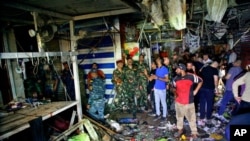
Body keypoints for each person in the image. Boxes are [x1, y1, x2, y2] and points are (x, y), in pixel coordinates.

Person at [172, 63, 203, 138]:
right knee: (179, 117)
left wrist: (196, 90)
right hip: (179, 102)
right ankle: (180, 129)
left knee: (191, 118)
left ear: (181, 69)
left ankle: (194, 133)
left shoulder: (191, 76)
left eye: (177, 69)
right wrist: (174, 93)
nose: (176, 70)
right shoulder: (175, 78)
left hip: (189, 102)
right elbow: (173, 87)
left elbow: (201, 81)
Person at [198, 61, 219, 126]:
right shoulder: (215, 70)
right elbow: (215, 80)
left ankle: (202, 117)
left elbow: (199, 72)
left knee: (202, 103)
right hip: (210, 88)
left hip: (202, 87)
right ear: (216, 64)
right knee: (209, 103)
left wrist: (204, 66)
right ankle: (208, 117)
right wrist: (216, 88)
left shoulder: (205, 68)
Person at [150, 56, 169, 121]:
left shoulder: (165, 69)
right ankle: (158, 114)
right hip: (156, 88)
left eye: (158, 60)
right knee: (156, 102)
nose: (156, 61)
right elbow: (154, 78)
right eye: (156, 60)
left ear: (160, 61)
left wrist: (157, 77)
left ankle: (164, 116)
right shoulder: (157, 69)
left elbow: (166, 79)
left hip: (162, 88)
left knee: (163, 102)